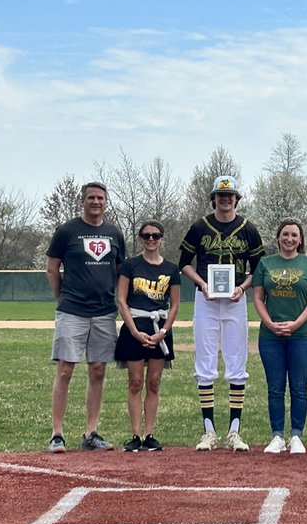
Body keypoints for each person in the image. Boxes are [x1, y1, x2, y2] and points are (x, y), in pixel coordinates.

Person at [179, 175, 265, 452]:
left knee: (236, 360)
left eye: (230, 195)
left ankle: (234, 431)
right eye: (221, 195)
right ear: (214, 198)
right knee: (204, 362)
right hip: (205, 299)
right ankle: (208, 431)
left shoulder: (248, 228)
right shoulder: (199, 226)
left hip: (235, 300)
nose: (225, 199)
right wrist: (201, 283)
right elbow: (184, 263)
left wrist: (242, 287)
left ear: (237, 199)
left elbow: (258, 268)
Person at [45, 181, 126, 453]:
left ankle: (91, 432)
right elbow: (52, 268)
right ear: (82, 201)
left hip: (103, 312)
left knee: (98, 370)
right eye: (91, 197)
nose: (96, 202)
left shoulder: (114, 232)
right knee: (66, 368)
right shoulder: (67, 231)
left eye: (100, 198)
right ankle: (57, 433)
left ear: (106, 201)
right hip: (72, 310)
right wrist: (62, 298)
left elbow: (119, 270)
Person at [253, 219, 307, 453]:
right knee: (275, 388)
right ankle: (276, 436)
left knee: (298, 387)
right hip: (270, 336)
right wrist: (271, 324)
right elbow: (257, 298)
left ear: (300, 239)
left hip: (301, 335)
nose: (290, 239)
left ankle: (296, 435)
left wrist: (296, 324)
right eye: (285, 234)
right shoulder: (265, 263)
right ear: (278, 238)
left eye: (294, 235)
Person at [115, 220, 181, 452]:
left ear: (162, 238)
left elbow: (174, 305)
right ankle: (135, 435)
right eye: (146, 235)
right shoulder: (130, 265)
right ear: (141, 238)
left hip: (159, 330)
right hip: (135, 327)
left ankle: (150, 434)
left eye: (155, 235)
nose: (150, 239)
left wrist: (163, 332)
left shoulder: (171, 269)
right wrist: (133, 330)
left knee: (154, 383)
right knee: (135, 382)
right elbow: (121, 300)